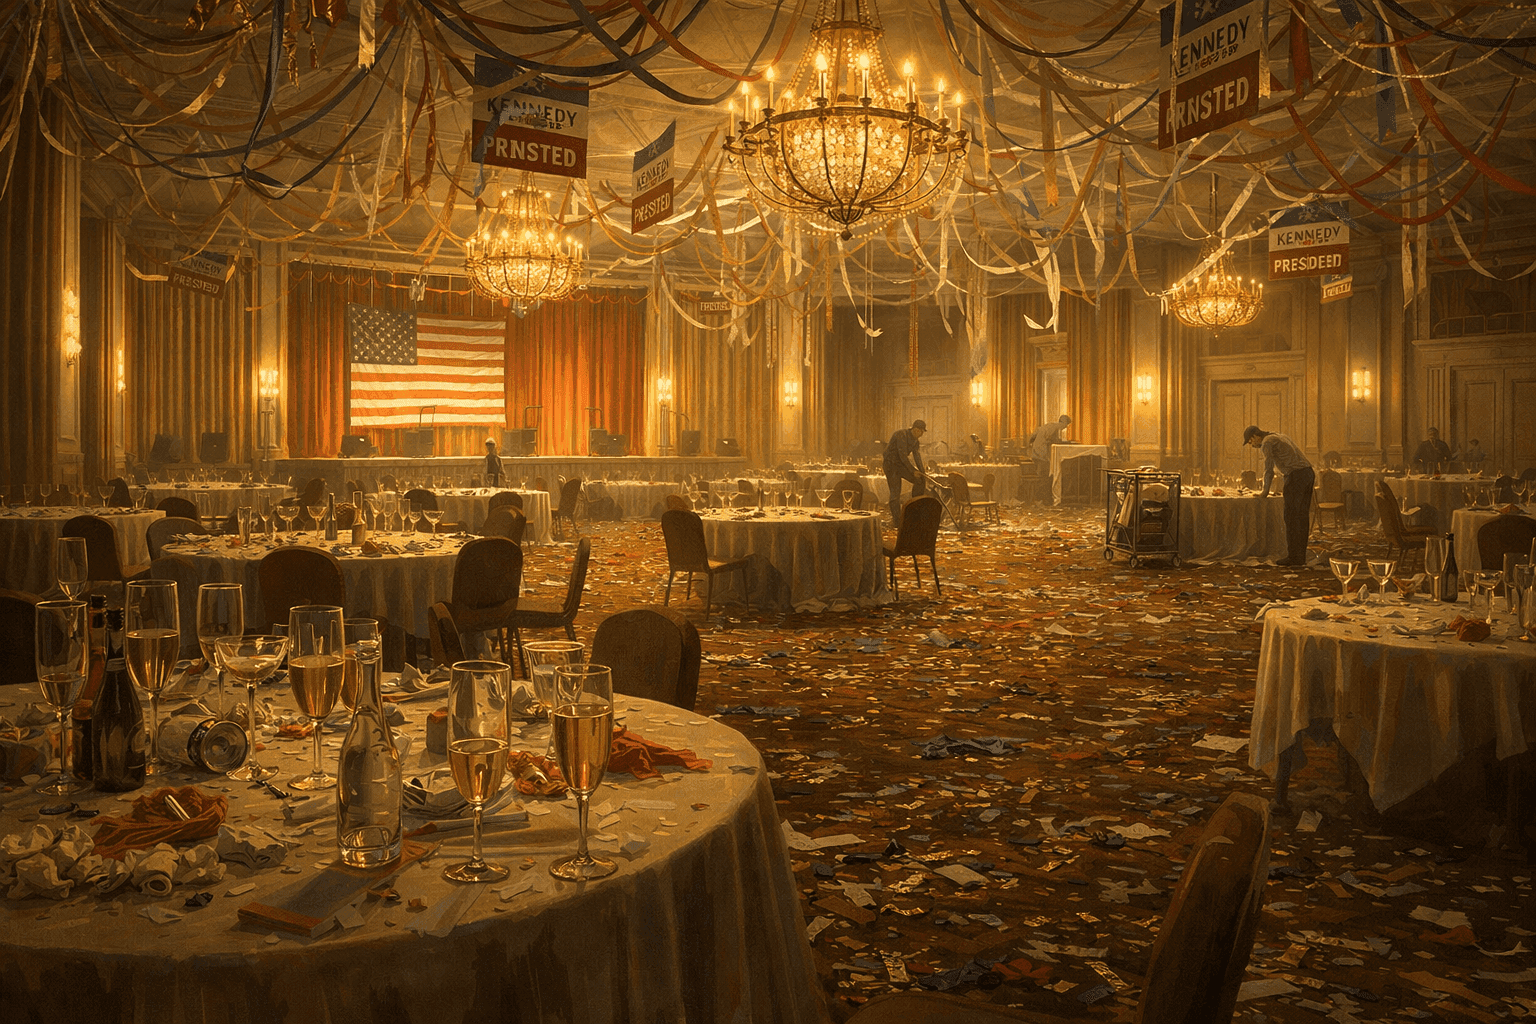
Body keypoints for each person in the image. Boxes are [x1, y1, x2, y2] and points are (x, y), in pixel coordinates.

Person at [1243, 425, 1315, 567]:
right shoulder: (1279, 435)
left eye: (1251, 442)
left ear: (1255, 437)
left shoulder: (1267, 443)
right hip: (1308, 473)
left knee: (1291, 517)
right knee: (1302, 517)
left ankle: (1294, 558)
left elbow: (1268, 470)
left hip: (1295, 477)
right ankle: (1300, 557)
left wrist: (1264, 492)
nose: (1252, 446)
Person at [883, 419, 928, 528]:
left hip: (901, 465)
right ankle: (898, 522)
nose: (922, 434)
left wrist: (923, 473)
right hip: (891, 465)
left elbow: (917, 456)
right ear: (916, 429)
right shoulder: (901, 435)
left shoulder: (915, 441)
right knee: (895, 494)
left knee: (920, 481)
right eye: (921, 431)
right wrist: (913, 471)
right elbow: (903, 456)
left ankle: (913, 512)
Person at [1028, 414, 1072, 499]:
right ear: (1063, 422)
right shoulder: (1057, 427)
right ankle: (1042, 500)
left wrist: (1031, 447)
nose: (1065, 427)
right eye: (1066, 425)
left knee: (1042, 477)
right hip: (1042, 454)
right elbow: (1054, 442)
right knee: (1045, 478)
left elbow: (1033, 436)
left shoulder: (1047, 425)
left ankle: (1041, 499)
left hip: (1036, 454)